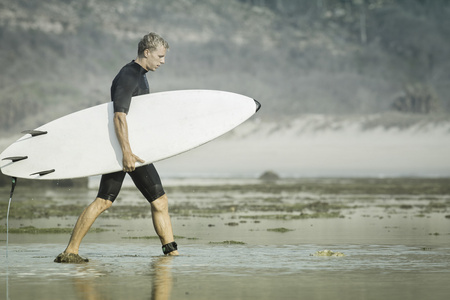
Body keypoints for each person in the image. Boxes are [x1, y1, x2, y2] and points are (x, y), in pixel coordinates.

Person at [55, 32, 179, 263]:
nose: (163, 61)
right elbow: (119, 116)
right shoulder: (129, 75)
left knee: (108, 200)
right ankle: (171, 255)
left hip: (129, 147)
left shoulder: (140, 74)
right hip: (126, 150)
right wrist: (126, 153)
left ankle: (71, 251)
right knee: (152, 200)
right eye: (160, 56)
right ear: (147, 52)